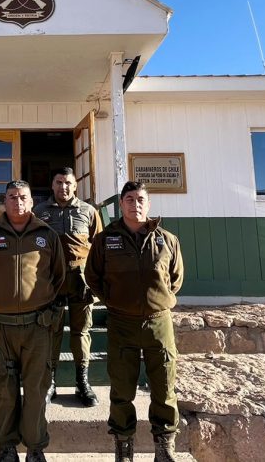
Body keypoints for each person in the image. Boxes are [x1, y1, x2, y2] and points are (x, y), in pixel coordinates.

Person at [85, 181, 184, 462]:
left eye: (140, 199)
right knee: (122, 389)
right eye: (129, 199)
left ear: (148, 203)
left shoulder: (167, 240)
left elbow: (175, 280)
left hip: (158, 323)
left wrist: (157, 301)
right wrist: (114, 301)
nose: (135, 204)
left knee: (164, 387)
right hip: (122, 323)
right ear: (122, 204)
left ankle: (164, 447)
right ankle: (123, 446)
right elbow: (93, 277)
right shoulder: (106, 240)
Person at [0, 180, 65, 462]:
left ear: (32, 201)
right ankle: (6, 447)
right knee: (5, 391)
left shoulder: (47, 235)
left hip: (37, 327)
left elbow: (58, 276)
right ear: (4, 201)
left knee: (36, 391)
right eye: (11, 197)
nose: (17, 201)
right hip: (0, 327)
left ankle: (35, 448)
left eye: (23, 197)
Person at [33, 167, 103, 407]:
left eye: (68, 183)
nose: (63, 187)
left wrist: (97, 281)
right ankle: (50, 382)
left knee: (81, 333)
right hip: (51, 281)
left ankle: (82, 382)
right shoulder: (39, 212)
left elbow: (99, 247)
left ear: (75, 186)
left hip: (80, 281)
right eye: (59, 182)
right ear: (52, 185)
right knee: (50, 332)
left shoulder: (89, 211)